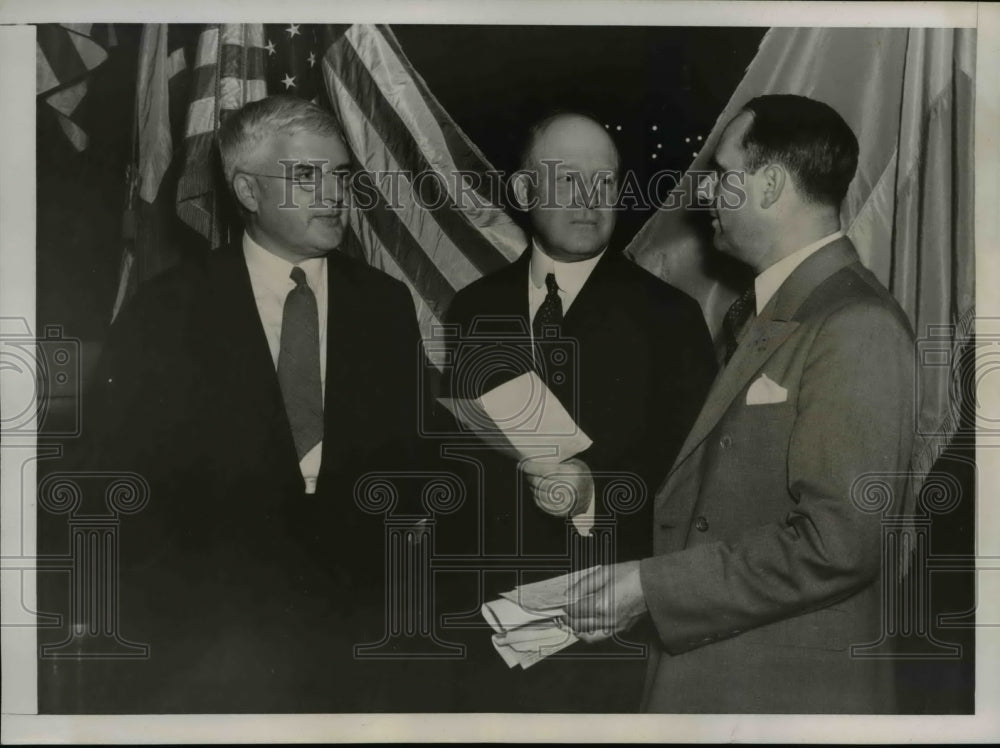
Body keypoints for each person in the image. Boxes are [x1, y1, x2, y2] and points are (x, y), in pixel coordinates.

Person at [61, 95, 436, 712]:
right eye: (307, 176)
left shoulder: (383, 303)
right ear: (247, 189)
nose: (334, 194)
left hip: (361, 636)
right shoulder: (168, 308)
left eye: (340, 175)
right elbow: (111, 477)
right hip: (211, 642)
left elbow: (417, 448)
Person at [566, 94, 916, 713]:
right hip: (729, 676)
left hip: (780, 694)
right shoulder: (781, 311)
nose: (704, 195)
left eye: (724, 175)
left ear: (772, 183)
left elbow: (839, 544)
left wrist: (651, 589)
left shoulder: (854, 321)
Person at [442, 112, 717, 712]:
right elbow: (461, 462)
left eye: (605, 182)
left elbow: (695, 477)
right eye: (567, 180)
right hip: (482, 622)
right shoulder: (470, 309)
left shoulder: (671, 317)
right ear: (522, 193)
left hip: (607, 621)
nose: (590, 200)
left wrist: (595, 489)